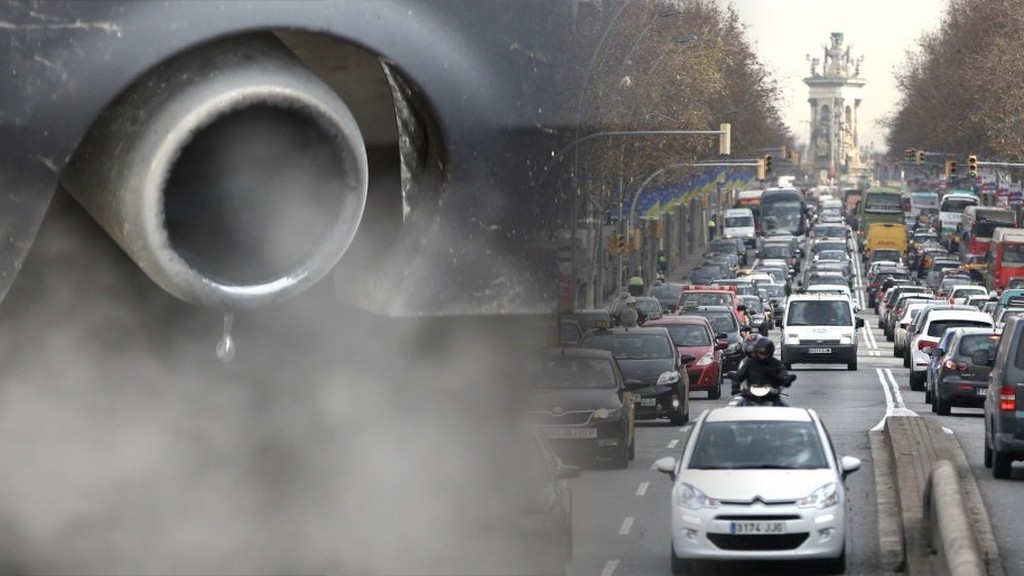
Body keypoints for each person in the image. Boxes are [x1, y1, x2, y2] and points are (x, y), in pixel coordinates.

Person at [728, 337, 792, 405]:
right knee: (738, 409)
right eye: (760, 353)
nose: (762, 356)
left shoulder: (777, 364)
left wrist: (786, 380)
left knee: (786, 411)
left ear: (770, 352)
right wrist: (734, 379)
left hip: (772, 397)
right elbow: (740, 375)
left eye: (765, 353)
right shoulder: (750, 363)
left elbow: (783, 375)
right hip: (751, 397)